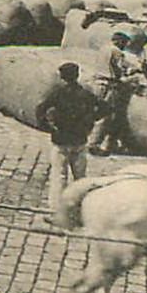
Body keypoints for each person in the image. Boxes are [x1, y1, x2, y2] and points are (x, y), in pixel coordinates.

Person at [35, 62, 100, 215]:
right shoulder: (85, 93)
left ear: (62, 76)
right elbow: (104, 107)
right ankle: (80, 207)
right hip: (79, 139)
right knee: (80, 176)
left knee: (59, 175)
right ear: (77, 75)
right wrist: (90, 120)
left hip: (61, 139)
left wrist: (46, 126)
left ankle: (56, 208)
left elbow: (40, 109)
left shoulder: (58, 93)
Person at [87, 27, 144, 156]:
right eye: (124, 43)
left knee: (96, 113)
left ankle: (103, 142)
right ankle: (93, 144)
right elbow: (120, 69)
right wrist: (134, 72)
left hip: (97, 82)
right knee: (106, 116)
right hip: (109, 85)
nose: (125, 46)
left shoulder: (103, 49)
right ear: (119, 41)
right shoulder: (117, 51)